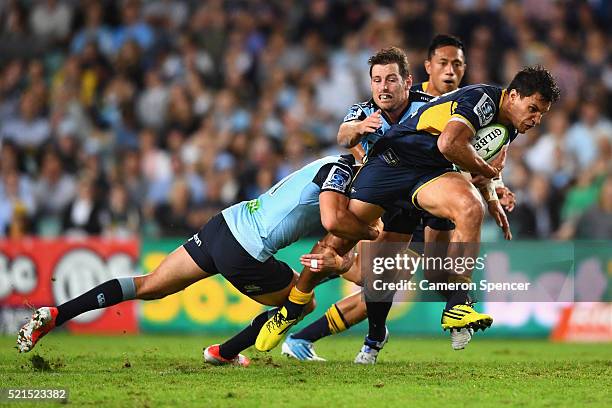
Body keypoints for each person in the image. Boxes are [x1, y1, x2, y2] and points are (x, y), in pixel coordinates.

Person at [257, 65, 560, 358]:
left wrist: (491, 196)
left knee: (468, 209)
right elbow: (450, 144)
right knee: (339, 240)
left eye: (541, 114)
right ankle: (291, 311)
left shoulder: (509, 126)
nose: (536, 119)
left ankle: (456, 305)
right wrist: (490, 177)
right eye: (533, 109)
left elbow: (480, 164)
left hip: (429, 177)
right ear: (513, 95)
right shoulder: (481, 100)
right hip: (393, 163)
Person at [17, 155, 378, 367]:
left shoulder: (330, 162)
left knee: (149, 285)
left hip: (223, 225)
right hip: (246, 249)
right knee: (302, 300)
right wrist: (370, 234)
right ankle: (223, 352)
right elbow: (332, 222)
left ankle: (57, 314)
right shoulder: (343, 173)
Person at [282, 37, 467, 362]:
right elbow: (344, 135)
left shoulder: (434, 108)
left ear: (407, 81)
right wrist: (356, 131)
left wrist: (490, 185)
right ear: (428, 68)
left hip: (426, 204)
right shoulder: (368, 109)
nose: (449, 71)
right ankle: (341, 335)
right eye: (443, 64)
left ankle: (447, 313)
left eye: (456, 65)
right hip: (391, 208)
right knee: (376, 279)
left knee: (406, 276)